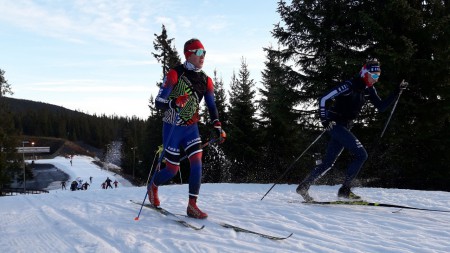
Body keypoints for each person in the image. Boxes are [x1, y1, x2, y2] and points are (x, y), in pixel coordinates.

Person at [296, 59, 408, 202]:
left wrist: (396, 92)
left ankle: (303, 187)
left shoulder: (368, 89)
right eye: (373, 76)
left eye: (378, 76)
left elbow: (381, 107)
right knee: (361, 155)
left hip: (345, 126)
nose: (376, 79)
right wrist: (324, 120)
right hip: (335, 125)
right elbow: (323, 99)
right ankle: (345, 190)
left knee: (327, 163)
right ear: (364, 73)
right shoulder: (348, 86)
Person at [148, 38, 226, 219]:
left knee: (197, 160)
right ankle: (153, 185)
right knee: (172, 170)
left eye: (204, 52)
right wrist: (174, 103)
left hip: (191, 128)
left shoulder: (206, 80)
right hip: (172, 128)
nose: (203, 56)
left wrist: (217, 126)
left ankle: (192, 205)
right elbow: (158, 102)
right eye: (198, 52)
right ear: (188, 54)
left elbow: (212, 106)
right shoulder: (175, 74)